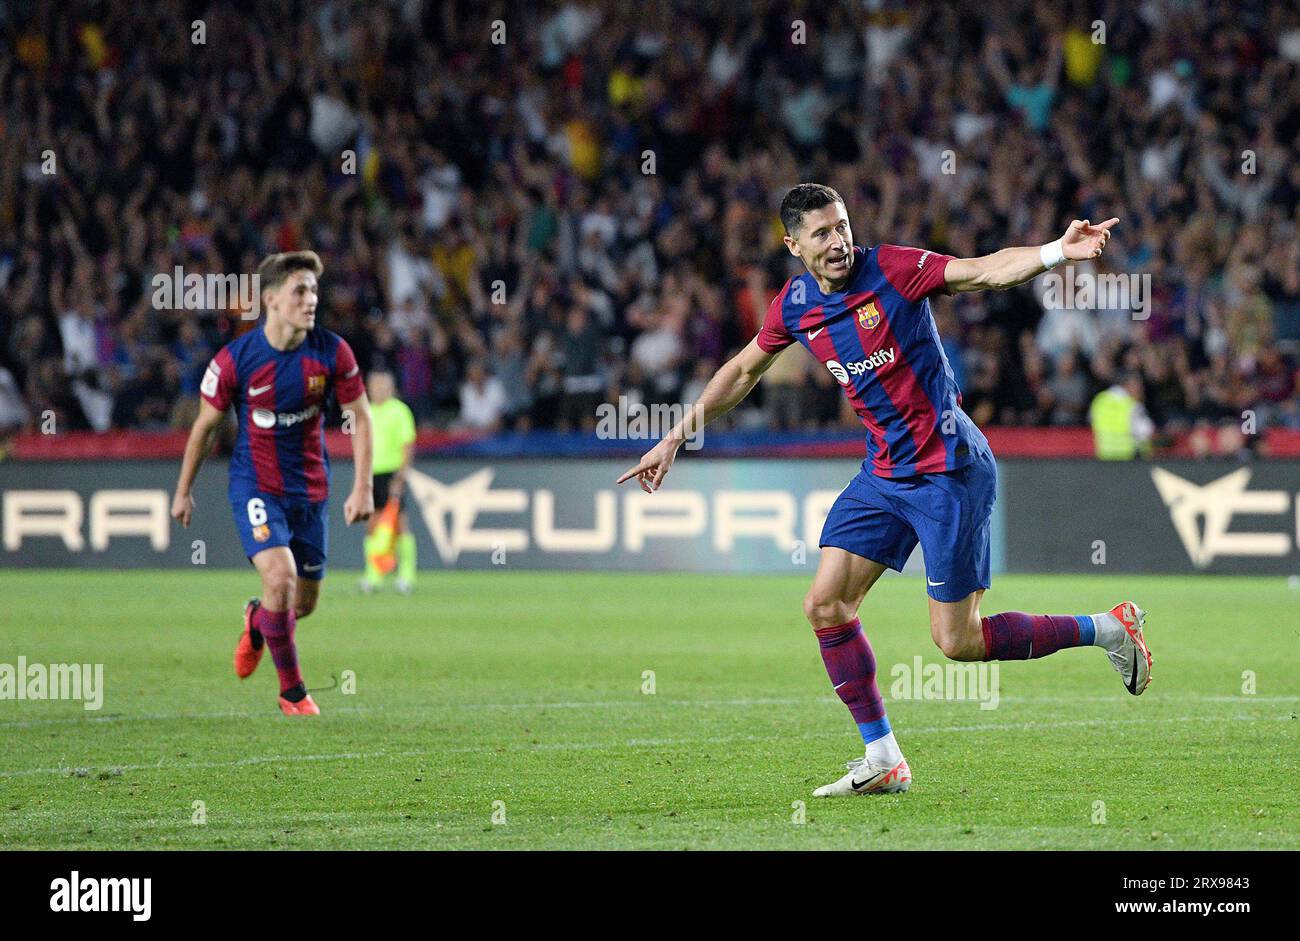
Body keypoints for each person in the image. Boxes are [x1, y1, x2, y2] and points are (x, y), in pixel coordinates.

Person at [618, 184, 1153, 797]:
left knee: (958, 642)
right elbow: (742, 371)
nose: (838, 241)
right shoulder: (794, 306)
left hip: (949, 471)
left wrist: (1056, 253)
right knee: (824, 606)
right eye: (821, 233)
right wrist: (674, 438)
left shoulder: (894, 269)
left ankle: (1109, 628)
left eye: (842, 226)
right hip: (883, 475)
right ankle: (884, 758)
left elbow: (981, 272)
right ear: (793, 245)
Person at [171, 251, 374, 716]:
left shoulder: (331, 351)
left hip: (312, 489)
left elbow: (360, 418)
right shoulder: (235, 360)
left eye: (315, 291)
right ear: (271, 300)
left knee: (299, 605)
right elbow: (204, 428)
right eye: (300, 290)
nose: (311, 300)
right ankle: (293, 692)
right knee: (279, 579)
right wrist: (183, 490)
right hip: (256, 486)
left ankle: (257, 620)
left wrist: (362, 486)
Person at [361, 369, 418, 594]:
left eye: (383, 386)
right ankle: (373, 575)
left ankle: (406, 575)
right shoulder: (366, 412)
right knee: (372, 526)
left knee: (400, 524)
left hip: (392, 473)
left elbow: (407, 446)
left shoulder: (400, 411)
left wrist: (401, 476)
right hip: (371, 475)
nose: (379, 390)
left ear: (392, 388)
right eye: (375, 386)